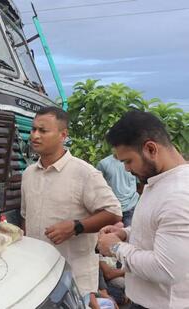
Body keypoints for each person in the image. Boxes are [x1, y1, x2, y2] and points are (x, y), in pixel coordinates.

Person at [21, 106, 122, 296]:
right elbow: (25, 217)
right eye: (33, 129)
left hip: (74, 279)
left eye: (43, 130)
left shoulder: (84, 173)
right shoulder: (28, 174)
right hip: (38, 274)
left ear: (63, 135)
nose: (35, 135)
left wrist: (76, 227)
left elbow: (113, 212)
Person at [97, 111, 189, 309]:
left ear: (150, 149)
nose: (127, 170)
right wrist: (124, 234)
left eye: (128, 161)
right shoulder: (159, 181)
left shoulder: (179, 194)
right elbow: (157, 228)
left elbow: (166, 269)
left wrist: (115, 247)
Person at [97, 154, 139, 226]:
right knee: (111, 234)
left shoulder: (134, 162)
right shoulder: (104, 163)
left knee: (130, 234)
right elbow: (97, 186)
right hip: (112, 208)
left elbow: (140, 184)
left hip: (131, 207)